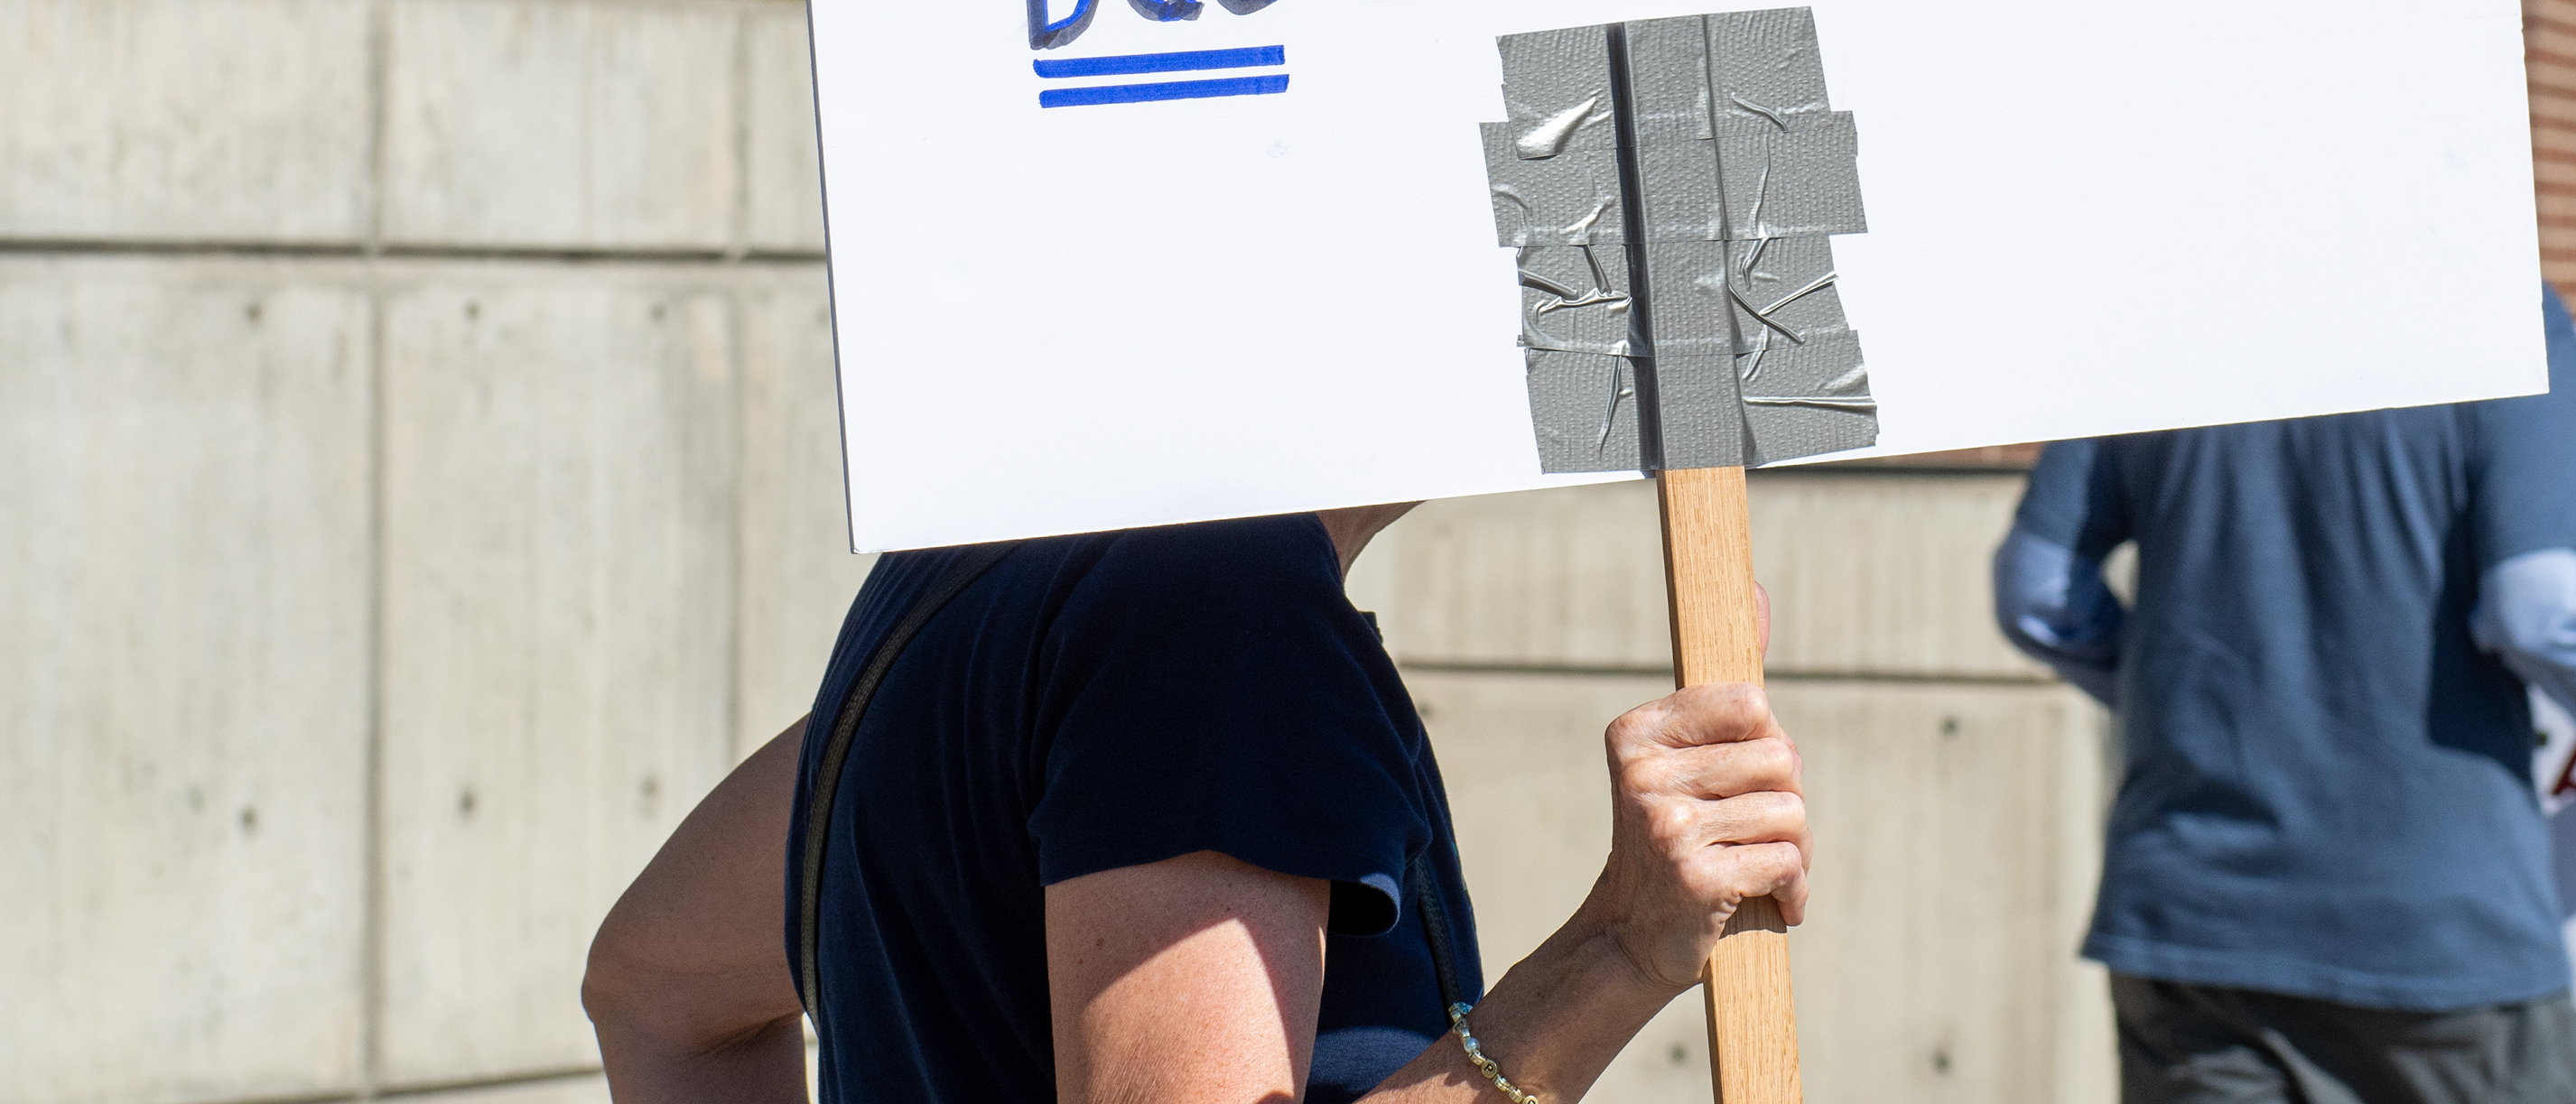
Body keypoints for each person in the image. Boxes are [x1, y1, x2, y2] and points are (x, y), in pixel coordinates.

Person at [582, 502, 1809, 1103]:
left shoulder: (981, 572)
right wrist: (1615, 951)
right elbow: (659, 994)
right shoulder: (1214, 604)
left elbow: (658, 991)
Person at [1995, 283, 2576, 1104]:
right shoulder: (2492, 308)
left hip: (2192, 921)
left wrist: (2195, 697)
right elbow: (2541, 605)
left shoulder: (2165, 311)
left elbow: (2036, 590)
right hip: (2437, 937)